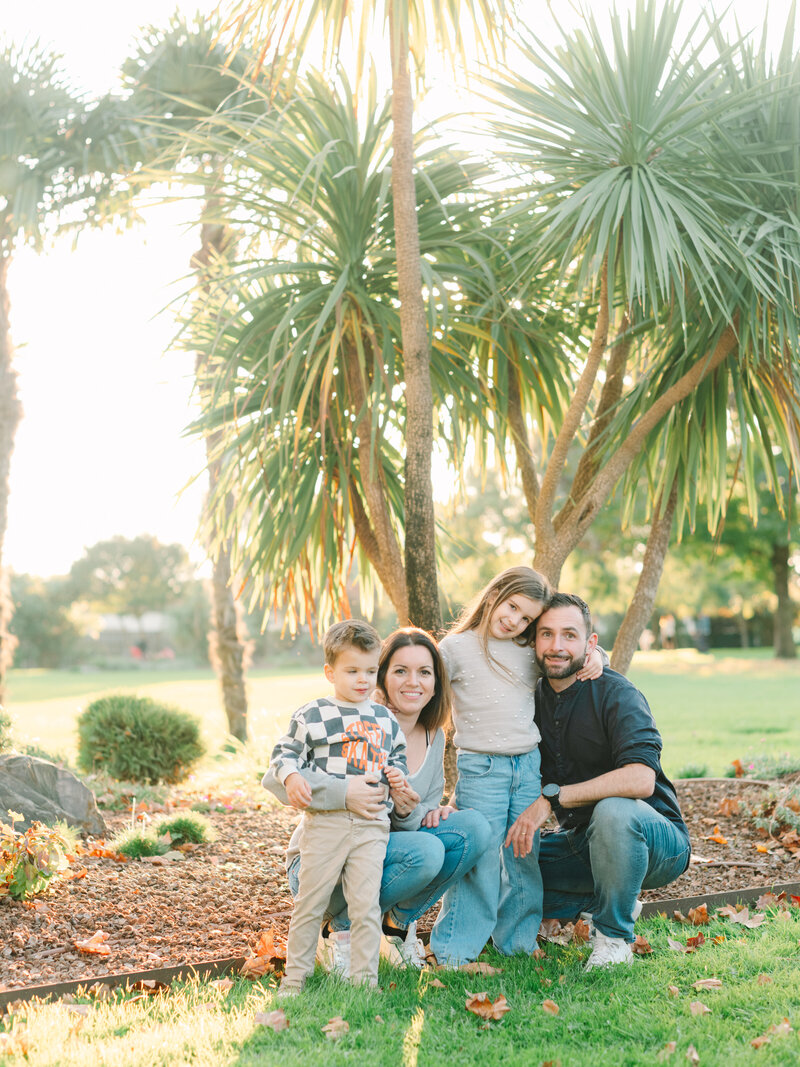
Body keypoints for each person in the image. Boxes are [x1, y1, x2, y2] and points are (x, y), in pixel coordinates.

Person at [264, 627, 492, 974]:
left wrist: (410, 805)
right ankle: (337, 929)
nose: (413, 682)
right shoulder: (356, 719)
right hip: (324, 861)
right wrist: (346, 793)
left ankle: (396, 927)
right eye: (400, 670)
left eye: (424, 672)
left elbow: (409, 822)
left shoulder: (434, 737)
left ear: (435, 683)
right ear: (381, 676)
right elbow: (276, 779)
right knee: (423, 851)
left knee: (470, 828)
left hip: (377, 849)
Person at [504, 593, 691, 970]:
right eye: (546, 634)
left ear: (590, 644)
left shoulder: (617, 693)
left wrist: (552, 799)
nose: (557, 646)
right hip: (582, 842)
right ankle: (606, 899)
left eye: (569, 635)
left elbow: (640, 780)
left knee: (614, 811)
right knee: (505, 865)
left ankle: (614, 937)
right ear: (532, 642)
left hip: (655, 841)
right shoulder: (526, 699)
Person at [431, 568, 605, 966]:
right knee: (481, 859)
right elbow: (422, 679)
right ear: (494, 594)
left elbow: (571, 653)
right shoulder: (455, 649)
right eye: (512, 607)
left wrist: (597, 655)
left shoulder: (528, 652)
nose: (515, 621)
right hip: (482, 769)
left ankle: (518, 943)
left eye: (527, 619)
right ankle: (456, 951)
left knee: (524, 856)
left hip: (528, 767)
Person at [268, 619, 408, 994]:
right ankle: (295, 978)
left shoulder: (384, 718)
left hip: (372, 825)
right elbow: (284, 754)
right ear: (330, 672)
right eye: (352, 671)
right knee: (310, 904)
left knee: (366, 906)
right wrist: (292, 777)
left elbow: (397, 758)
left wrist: (397, 777)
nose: (363, 680)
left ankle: (365, 981)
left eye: (370, 670)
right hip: (325, 823)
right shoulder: (313, 714)